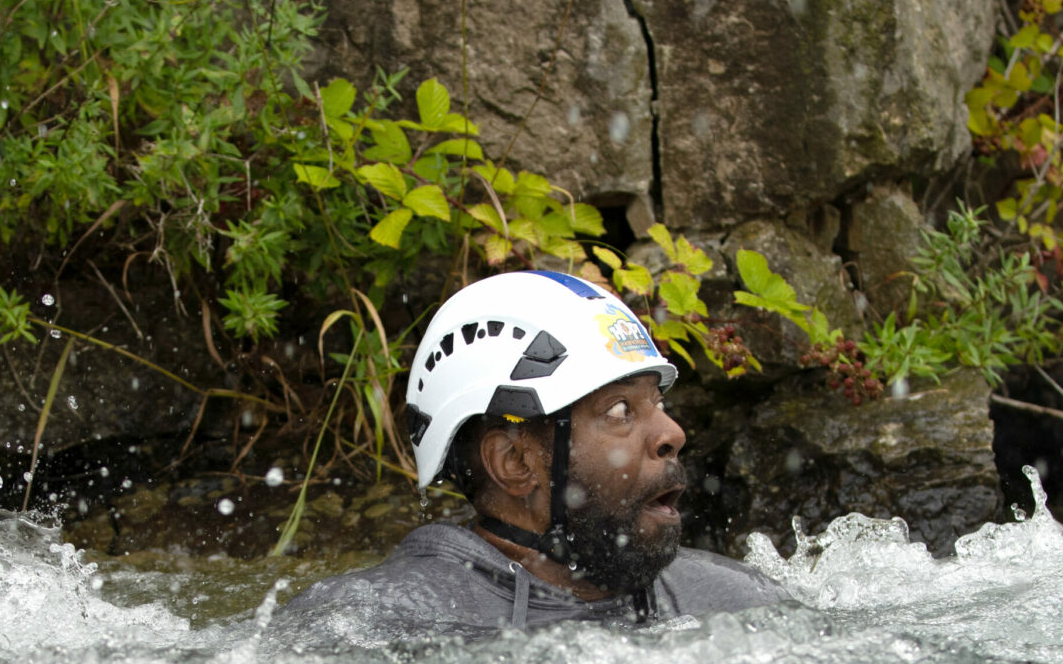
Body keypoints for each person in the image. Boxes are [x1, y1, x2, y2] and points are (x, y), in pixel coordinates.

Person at [272, 270, 790, 642]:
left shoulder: (738, 600)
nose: (672, 432)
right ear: (515, 463)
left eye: (658, 403)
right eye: (618, 410)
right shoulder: (369, 623)